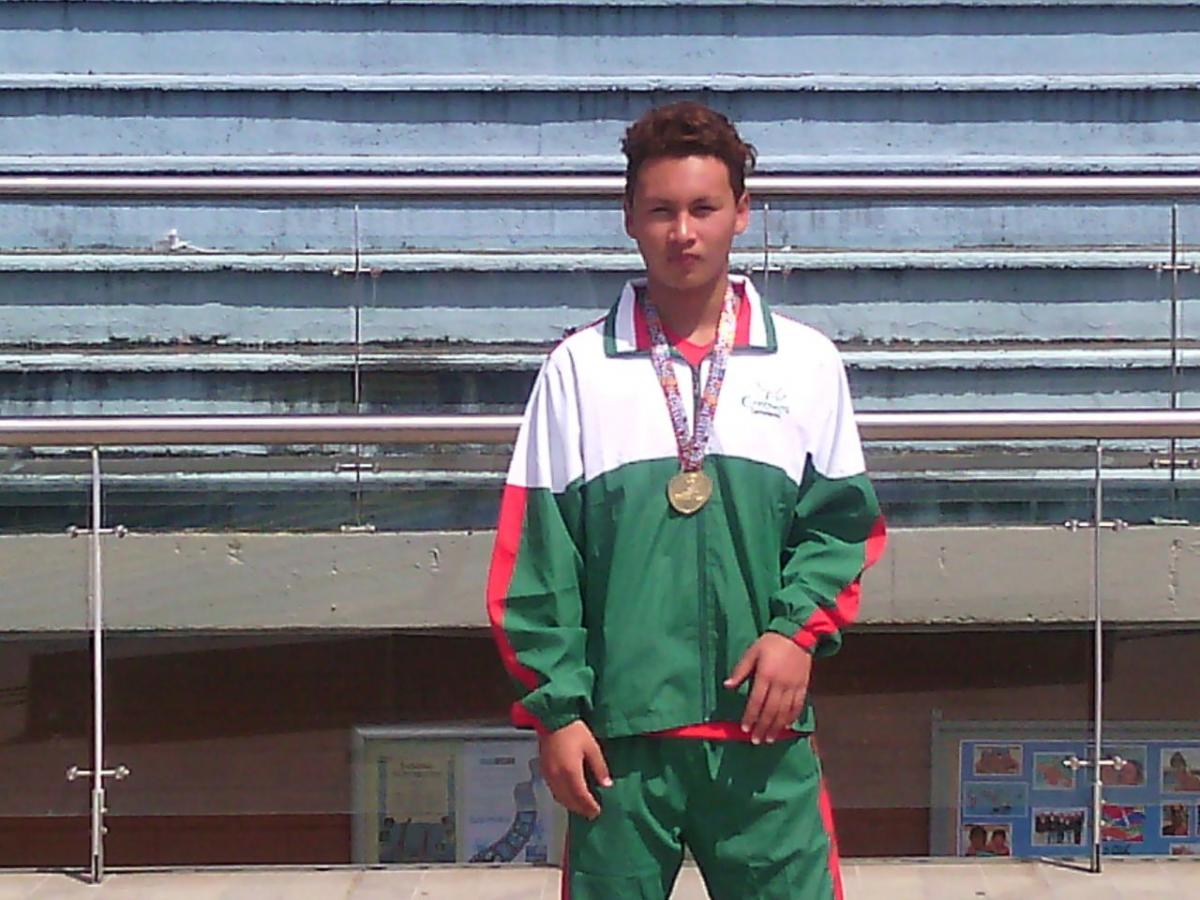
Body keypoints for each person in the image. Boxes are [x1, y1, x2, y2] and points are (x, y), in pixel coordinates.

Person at [485, 101, 885, 899]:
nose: (684, 232)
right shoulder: (577, 370)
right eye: (662, 210)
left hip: (761, 736)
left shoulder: (806, 363)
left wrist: (796, 635)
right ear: (630, 217)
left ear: (742, 212)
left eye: (704, 208)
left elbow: (841, 528)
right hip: (619, 743)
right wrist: (557, 712)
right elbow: (536, 560)